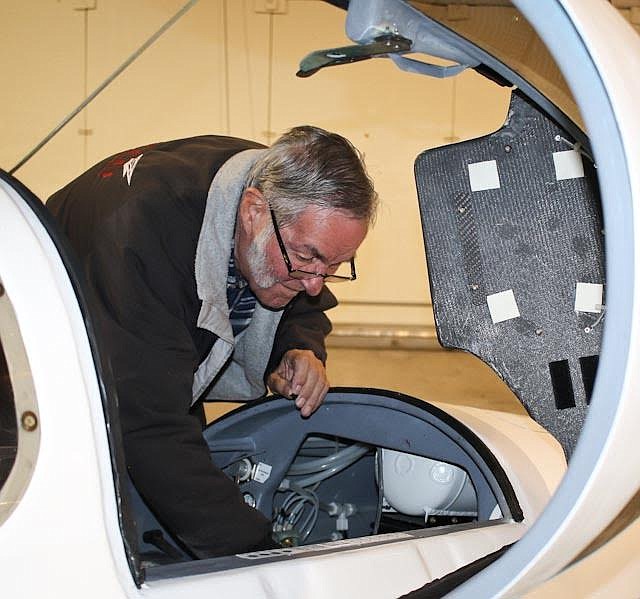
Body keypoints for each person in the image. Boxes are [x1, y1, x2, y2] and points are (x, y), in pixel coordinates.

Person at [47, 126, 378, 559]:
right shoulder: (143, 237)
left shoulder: (272, 184)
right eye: (305, 256)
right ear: (253, 210)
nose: (316, 283)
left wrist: (297, 348)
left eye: (335, 264)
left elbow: (306, 303)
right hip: (35, 378)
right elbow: (149, 425)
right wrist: (257, 555)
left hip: (150, 362)